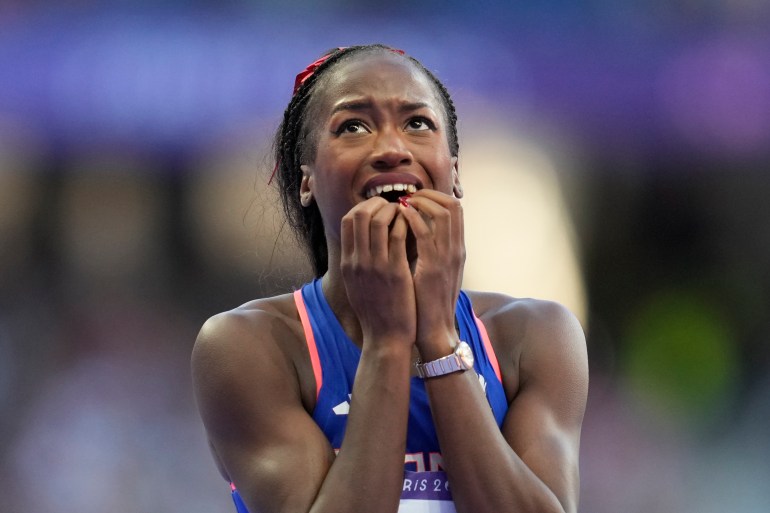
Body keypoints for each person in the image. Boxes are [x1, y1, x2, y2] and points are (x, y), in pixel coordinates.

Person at [191, 44, 588, 513]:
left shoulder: (534, 335)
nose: (393, 149)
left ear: (454, 171)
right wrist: (387, 343)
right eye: (353, 126)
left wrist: (439, 338)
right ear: (307, 181)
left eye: (417, 122)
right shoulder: (247, 345)